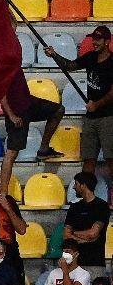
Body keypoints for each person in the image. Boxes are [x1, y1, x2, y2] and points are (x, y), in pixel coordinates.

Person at [49, 27, 113, 177]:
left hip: (108, 118)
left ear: (107, 41)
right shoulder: (90, 57)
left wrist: (96, 104)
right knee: (88, 160)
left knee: (111, 159)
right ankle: (87, 194)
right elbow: (70, 66)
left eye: (98, 39)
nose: (94, 42)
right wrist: (54, 55)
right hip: (90, 118)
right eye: (93, 39)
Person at [1, 67, 63, 179]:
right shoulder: (2, 64)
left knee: (58, 110)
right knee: (12, 153)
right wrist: (12, 116)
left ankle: (44, 148)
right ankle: (3, 193)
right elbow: (0, 92)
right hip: (17, 110)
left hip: (28, 102)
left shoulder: (13, 58)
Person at [64, 172, 110, 270]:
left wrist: (74, 233)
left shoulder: (101, 206)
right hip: (75, 264)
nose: (73, 188)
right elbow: (66, 235)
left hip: (95, 262)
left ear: (83, 185)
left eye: (76, 184)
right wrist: (86, 238)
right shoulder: (74, 207)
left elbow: (93, 233)